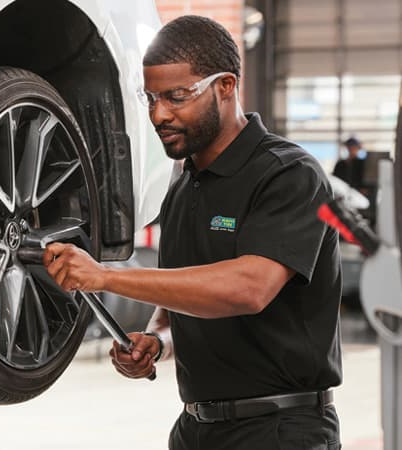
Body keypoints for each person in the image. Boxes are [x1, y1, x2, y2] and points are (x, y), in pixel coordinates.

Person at [42, 15, 342, 449]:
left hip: (281, 429)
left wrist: (105, 276)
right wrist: (157, 343)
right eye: (151, 98)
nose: (159, 114)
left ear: (226, 86)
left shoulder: (288, 174)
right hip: (194, 430)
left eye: (177, 96)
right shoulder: (182, 189)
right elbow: (176, 305)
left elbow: (248, 288)